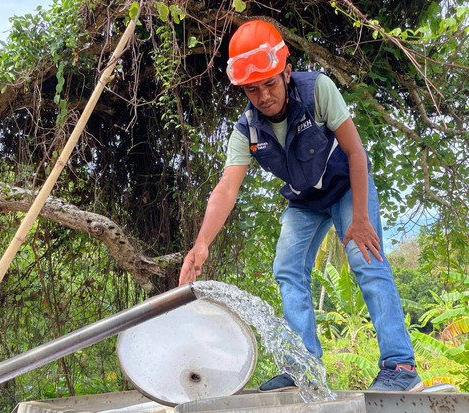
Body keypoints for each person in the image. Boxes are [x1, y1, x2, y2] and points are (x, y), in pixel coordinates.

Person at [179, 19, 423, 392]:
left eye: (270, 84)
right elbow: (227, 187)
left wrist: (360, 218)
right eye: (252, 89)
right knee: (287, 269)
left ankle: (399, 366)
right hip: (304, 200)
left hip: (346, 188)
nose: (263, 96)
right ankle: (302, 369)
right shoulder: (247, 128)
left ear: (287, 73)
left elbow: (357, 152)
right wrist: (201, 244)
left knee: (365, 257)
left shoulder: (317, 90)